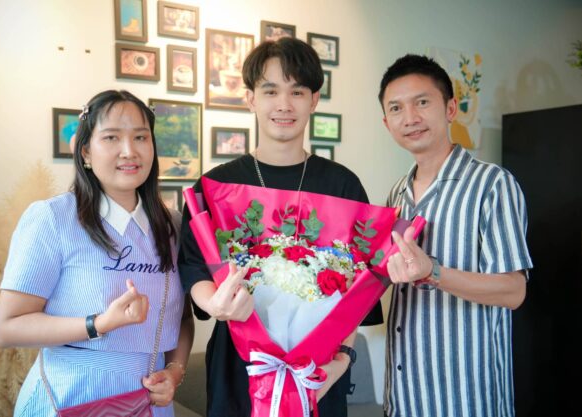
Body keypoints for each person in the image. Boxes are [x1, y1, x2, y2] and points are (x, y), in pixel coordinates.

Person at [178, 37, 383, 417]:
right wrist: (216, 304)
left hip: (319, 372)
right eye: (271, 91)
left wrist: (341, 362)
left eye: (297, 91)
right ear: (251, 98)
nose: (284, 104)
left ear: (314, 100)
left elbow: (357, 286)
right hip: (237, 369)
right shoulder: (216, 186)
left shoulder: (342, 185)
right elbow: (192, 266)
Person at [0, 90, 194, 417]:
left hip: (150, 402)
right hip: (71, 397)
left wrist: (174, 372)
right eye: (111, 137)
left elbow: (182, 319)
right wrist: (98, 323)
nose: (129, 151)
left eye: (140, 137)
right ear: (85, 151)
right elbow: (7, 328)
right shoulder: (52, 218)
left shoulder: (173, 226)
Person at [378, 54, 533, 417]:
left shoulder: (493, 184)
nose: (410, 118)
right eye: (396, 108)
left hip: (466, 398)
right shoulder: (396, 195)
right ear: (386, 123)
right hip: (403, 396)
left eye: (422, 102)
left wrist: (432, 271)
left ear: (450, 109)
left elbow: (514, 291)